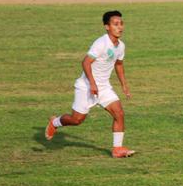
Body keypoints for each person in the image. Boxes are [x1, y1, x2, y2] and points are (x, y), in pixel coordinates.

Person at [45, 11, 136, 159]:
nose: (120, 27)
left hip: (104, 87)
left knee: (119, 113)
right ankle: (55, 122)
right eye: (115, 24)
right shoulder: (101, 43)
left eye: (121, 24)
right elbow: (85, 62)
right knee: (77, 120)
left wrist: (124, 85)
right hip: (86, 86)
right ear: (107, 27)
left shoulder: (121, 46)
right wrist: (92, 84)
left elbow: (119, 64)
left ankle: (117, 149)